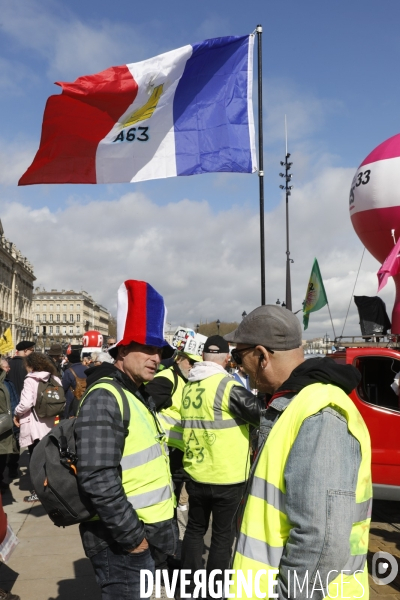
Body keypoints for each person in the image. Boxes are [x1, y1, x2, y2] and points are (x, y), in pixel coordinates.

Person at [225, 305, 372, 599]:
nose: (239, 367)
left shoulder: (320, 414)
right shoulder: (294, 404)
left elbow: (321, 543)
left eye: (239, 357)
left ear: (262, 356)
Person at [75, 280, 177, 600]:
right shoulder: (106, 397)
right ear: (122, 350)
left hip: (139, 545)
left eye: (158, 350)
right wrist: (135, 540)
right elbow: (96, 476)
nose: (155, 357)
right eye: (147, 348)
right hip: (122, 548)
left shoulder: (134, 394)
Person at [180, 335, 263, 594]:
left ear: (203, 356)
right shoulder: (227, 386)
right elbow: (260, 414)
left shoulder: (189, 387)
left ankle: (189, 588)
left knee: (194, 531)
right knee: (222, 536)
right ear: (227, 358)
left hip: (196, 472)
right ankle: (215, 589)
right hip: (226, 475)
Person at [13, 352, 62, 503]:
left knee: (36, 460)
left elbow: (26, 403)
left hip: (35, 425)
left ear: (32, 365)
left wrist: (16, 412)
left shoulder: (31, 380)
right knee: (50, 458)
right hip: (51, 423)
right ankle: (54, 488)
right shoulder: (54, 378)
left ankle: (39, 492)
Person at [1, 359, 20, 480]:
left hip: (9, 421)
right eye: (6, 367)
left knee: (12, 449)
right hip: (5, 422)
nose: (9, 369)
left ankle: (11, 470)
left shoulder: (8, 382)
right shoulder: (5, 384)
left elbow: (14, 401)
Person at [61, 350, 87, 417]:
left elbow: (64, 387)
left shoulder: (69, 371)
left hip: (72, 399)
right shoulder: (87, 368)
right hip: (86, 398)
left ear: (70, 360)